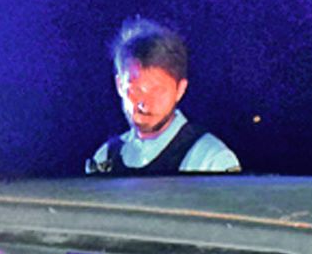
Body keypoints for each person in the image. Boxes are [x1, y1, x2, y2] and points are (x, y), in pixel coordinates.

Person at [85, 16, 241, 175]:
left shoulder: (210, 160)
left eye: (157, 90)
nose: (144, 103)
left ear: (180, 90)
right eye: (135, 89)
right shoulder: (103, 158)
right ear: (119, 85)